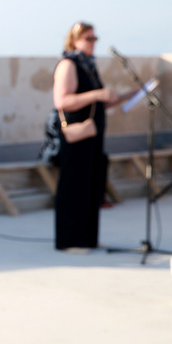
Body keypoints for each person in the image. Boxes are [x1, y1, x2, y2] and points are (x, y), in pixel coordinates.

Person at [52, 22, 133, 252]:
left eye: (95, 38)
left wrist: (127, 96)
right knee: (74, 186)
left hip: (94, 136)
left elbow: (99, 102)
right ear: (74, 40)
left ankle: (88, 238)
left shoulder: (88, 65)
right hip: (77, 135)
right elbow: (62, 101)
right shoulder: (68, 64)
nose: (93, 42)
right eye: (88, 38)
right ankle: (70, 240)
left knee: (91, 186)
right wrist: (97, 93)